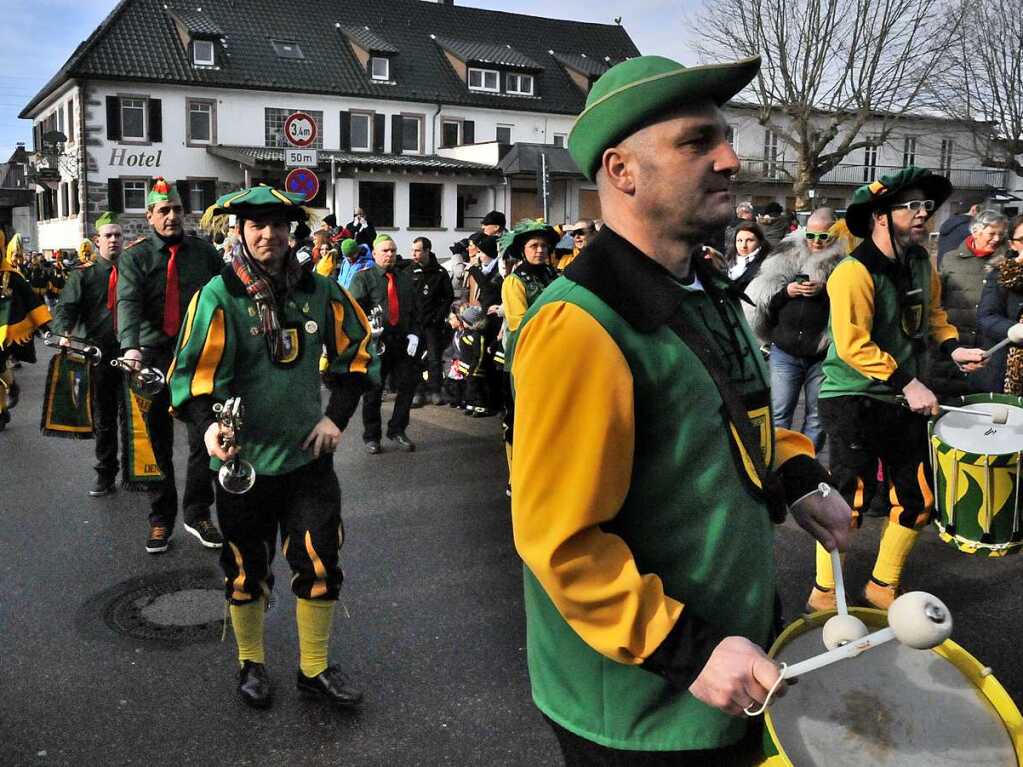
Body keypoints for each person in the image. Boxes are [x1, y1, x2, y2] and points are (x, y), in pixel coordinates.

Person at [512, 54, 851, 763]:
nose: (731, 158)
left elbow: (741, 419)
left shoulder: (705, 286)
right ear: (622, 171)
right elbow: (561, 541)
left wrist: (795, 476)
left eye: (725, 138)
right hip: (642, 707)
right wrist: (686, 649)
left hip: (729, 665)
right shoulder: (580, 325)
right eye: (698, 142)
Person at [168, 186, 377, 710]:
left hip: (308, 461)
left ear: (292, 232)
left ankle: (314, 668)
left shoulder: (321, 289)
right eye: (257, 225)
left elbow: (359, 353)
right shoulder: (218, 295)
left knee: (320, 561)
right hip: (244, 466)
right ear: (238, 231)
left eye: (279, 225)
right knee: (244, 569)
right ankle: (251, 663)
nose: (269, 235)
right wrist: (208, 430)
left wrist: (336, 418)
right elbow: (192, 378)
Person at [811, 167, 987, 613]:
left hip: (902, 395)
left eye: (927, 206)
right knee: (847, 496)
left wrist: (953, 349)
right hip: (853, 396)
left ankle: (881, 586)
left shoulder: (920, 263)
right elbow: (853, 345)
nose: (923, 213)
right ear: (880, 216)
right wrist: (908, 383)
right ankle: (825, 591)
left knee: (917, 498)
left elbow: (933, 318)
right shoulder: (852, 273)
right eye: (912, 206)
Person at [116, 177, 223, 554]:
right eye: (164, 211)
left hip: (197, 357)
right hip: (153, 357)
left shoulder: (204, 252)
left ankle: (197, 513)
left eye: (177, 210)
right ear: (150, 216)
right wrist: (130, 348)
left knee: (204, 437)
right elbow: (127, 303)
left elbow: (224, 296)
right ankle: (161, 518)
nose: (172, 216)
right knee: (156, 440)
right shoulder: (136, 257)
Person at [746, 209, 844, 453]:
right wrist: (786, 292)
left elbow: (849, 306)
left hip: (821, 351)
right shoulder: (786, 252)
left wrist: (825, 291)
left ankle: (805, 465)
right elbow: (766, 299)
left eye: (824, 237)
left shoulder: (844, 262)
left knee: (817, 417)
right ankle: (777, 463)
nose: (816, 242)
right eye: (811, 235)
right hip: (785, 349)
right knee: (779, 412)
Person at [52, 212, 126, 495]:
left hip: (132, 353)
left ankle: (140, 472)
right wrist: (62, 333)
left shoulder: (134, 272)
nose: (114, 240)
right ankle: (106, 473)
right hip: (99, 354)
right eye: (108, 235)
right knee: (105, 417)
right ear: (97, 241)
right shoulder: (84, 275)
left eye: (118, 235)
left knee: (136, 417)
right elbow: (66, 308)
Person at [499, 220, 560, 486]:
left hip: (556, 357)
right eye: (534, 246)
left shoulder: (555, 277)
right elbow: (519, 323)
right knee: (520, 419)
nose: (540, 251)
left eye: (544, 246)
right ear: (523, 250)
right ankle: (517, 477)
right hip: (525, 358)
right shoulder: (514, 282)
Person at [348, 234, 420, 454]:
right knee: (373, 392)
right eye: (386, 251)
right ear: (375, 253)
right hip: (376, 344)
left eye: (393, 250)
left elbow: (415, 310)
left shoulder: (405, 278)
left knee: (408, 386)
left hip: (402, 342)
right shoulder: (364, 278)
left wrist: (415, 334)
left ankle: (397, 429)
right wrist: (368, 330)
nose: (390, 254)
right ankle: (372, 436)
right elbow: (352, 311)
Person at [929, 209, 1009, 396]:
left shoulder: (1006, 263)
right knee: (948, 395)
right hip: (956, 339)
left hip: (990, 344)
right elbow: (938, 299)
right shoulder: (951, 259)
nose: (997, 239)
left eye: (1001, 234)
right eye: (992, 233)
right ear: (976, 232)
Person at [0, 232, 51, 431]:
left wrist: (44, 327)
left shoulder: (12, 276)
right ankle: (10, 387)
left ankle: (2, 408)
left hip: (6, 331)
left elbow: (31, 300)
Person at [976, 214, 1023, 393]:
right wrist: (1013, 330)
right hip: (1007, 369)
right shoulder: (1001, 275)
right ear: (1012, 244)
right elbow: (986, 317)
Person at [408, 237, 454, 407]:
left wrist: (438, 316)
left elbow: (448, 297)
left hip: (433, 325)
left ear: (427, 251)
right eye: (412, 250)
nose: (413, 253)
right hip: (414, 324)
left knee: (434, 359)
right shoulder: (409, 271)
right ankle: (418, 391)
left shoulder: (440, 273)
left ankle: (435, 390)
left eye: (418, 250)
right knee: (413, 359)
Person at [724, 220, 771, 290]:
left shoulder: (766, 264)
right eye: (739, 240)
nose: (743, 246)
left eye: (749, 240)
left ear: (759, 242)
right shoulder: (728, 259)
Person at [937, 198, 982, 267]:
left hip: (941, 265)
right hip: (957, 269)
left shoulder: (949, 222)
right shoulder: (971, 228)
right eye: (981, 210)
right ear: (974, 209)